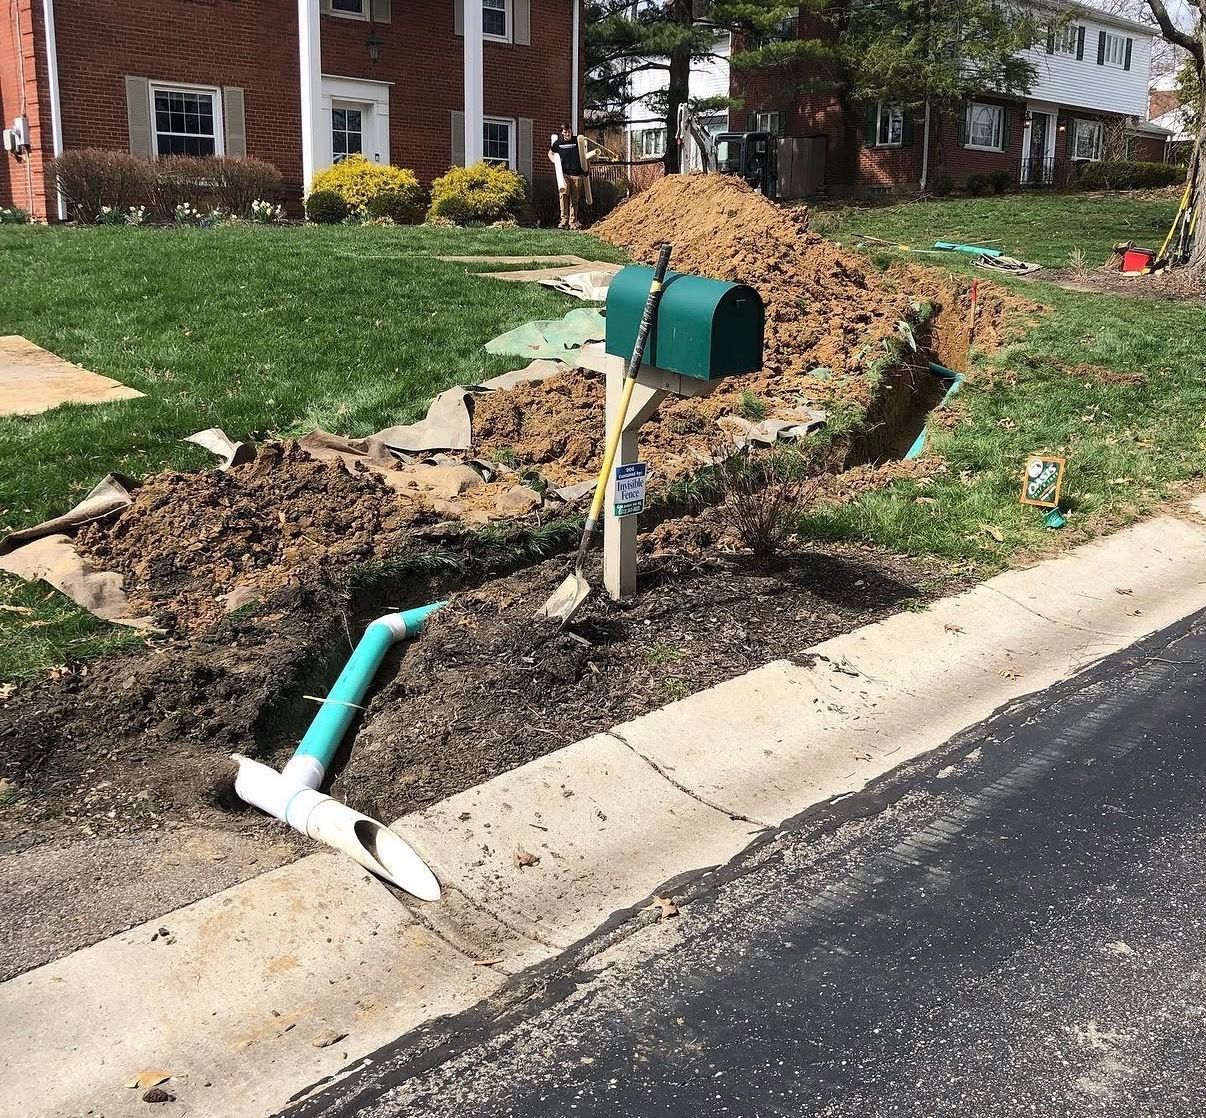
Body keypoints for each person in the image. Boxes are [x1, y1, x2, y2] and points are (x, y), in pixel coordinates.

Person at [548, 123, 593, 229]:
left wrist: (587, 170)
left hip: (577, 175)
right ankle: (563, 220)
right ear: (562, 132)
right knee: (563, 195)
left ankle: (573, 222)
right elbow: (550, 153)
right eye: (565, 132)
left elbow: (585, 156)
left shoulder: (577, 141)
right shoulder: (558, 143)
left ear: (571, 131)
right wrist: (555, 162)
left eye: (569, 132)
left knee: (575, 199)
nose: (567, 134)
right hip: (564, 174)